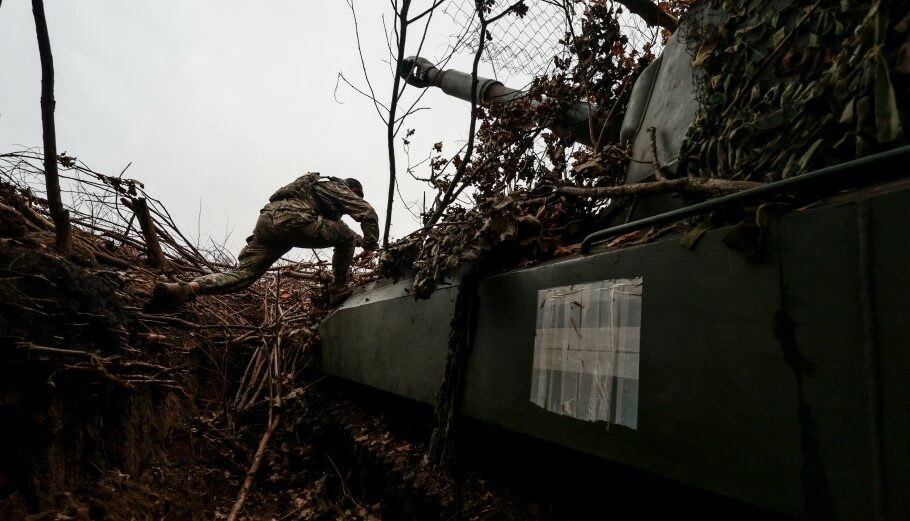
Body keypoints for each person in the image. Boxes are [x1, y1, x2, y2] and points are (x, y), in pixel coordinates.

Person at [148, 173, 378, 310]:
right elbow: (366, 213)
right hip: (294, 220)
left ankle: (186, 289)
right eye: (355, 195)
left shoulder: (314, 190)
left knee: (243, 275)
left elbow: (333, 232)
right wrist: (370, 245)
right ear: (354, 189)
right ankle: (338, 290)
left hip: (267, 223)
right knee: (345, 234)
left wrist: (359, 242)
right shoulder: (337, 187)